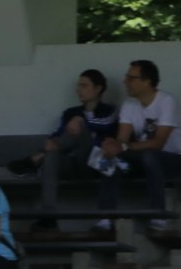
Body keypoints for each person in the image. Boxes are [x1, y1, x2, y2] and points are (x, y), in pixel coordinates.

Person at [96, 59, 181, 228]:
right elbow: (122, 141)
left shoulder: (167, 101)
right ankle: (105, 218)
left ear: (147, 82)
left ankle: (158, 215)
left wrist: (124, 147)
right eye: (126, 77)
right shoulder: (129, 104)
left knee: (150, 156)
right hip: (145, 162)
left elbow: (158, 143)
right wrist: (112, 146)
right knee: (109, 158)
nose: (125, 82)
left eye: (131, 78)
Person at [12, 69, 119, 213]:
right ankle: (48, 216)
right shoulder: (71, 112)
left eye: (84, 85)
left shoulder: (109, 111)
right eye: (78, 86)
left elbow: (104, 126)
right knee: (52, 154)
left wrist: (80, 120)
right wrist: (51, 142)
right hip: (71, 161)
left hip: (95, 164)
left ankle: (35, 159)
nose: (78, 90)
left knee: (80, 127)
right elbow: (60, 134)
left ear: (98, 88)